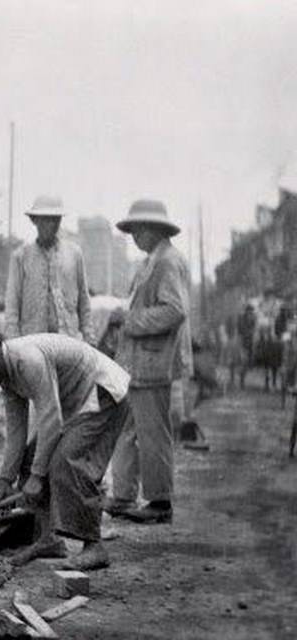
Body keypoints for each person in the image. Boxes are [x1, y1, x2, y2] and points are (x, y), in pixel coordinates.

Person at [0, 330, 130, 570]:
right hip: (76, 405)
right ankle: (50, 539)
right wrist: (5, 481)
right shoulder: (8, 378)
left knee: (66, 462)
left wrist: (38, 477)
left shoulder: (27, 359)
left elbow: (51, 419)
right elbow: (16, 433)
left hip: (102, 392)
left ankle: (94, 546)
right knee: (29, 459)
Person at [105, 199, 192, 525]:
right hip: (139, 363)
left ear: (155, 229)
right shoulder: (152, 261)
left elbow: (174, 310)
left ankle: (160, 501)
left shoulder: (168, 262)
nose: (134, 235)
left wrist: (130, 320)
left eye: (138, 229)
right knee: (128, 428)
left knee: (153, 432)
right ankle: (123, 494)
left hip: (154, 362)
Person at [3, 196, 94, 343]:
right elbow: (12, 303)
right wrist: (14, 342)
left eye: (55, 219)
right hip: (33, 341)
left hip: (68, 339)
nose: (51, 225)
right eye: (45, 219)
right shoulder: (21, 256)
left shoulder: (74, 254)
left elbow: (84, 300)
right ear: (35, 220)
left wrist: (89, 337)